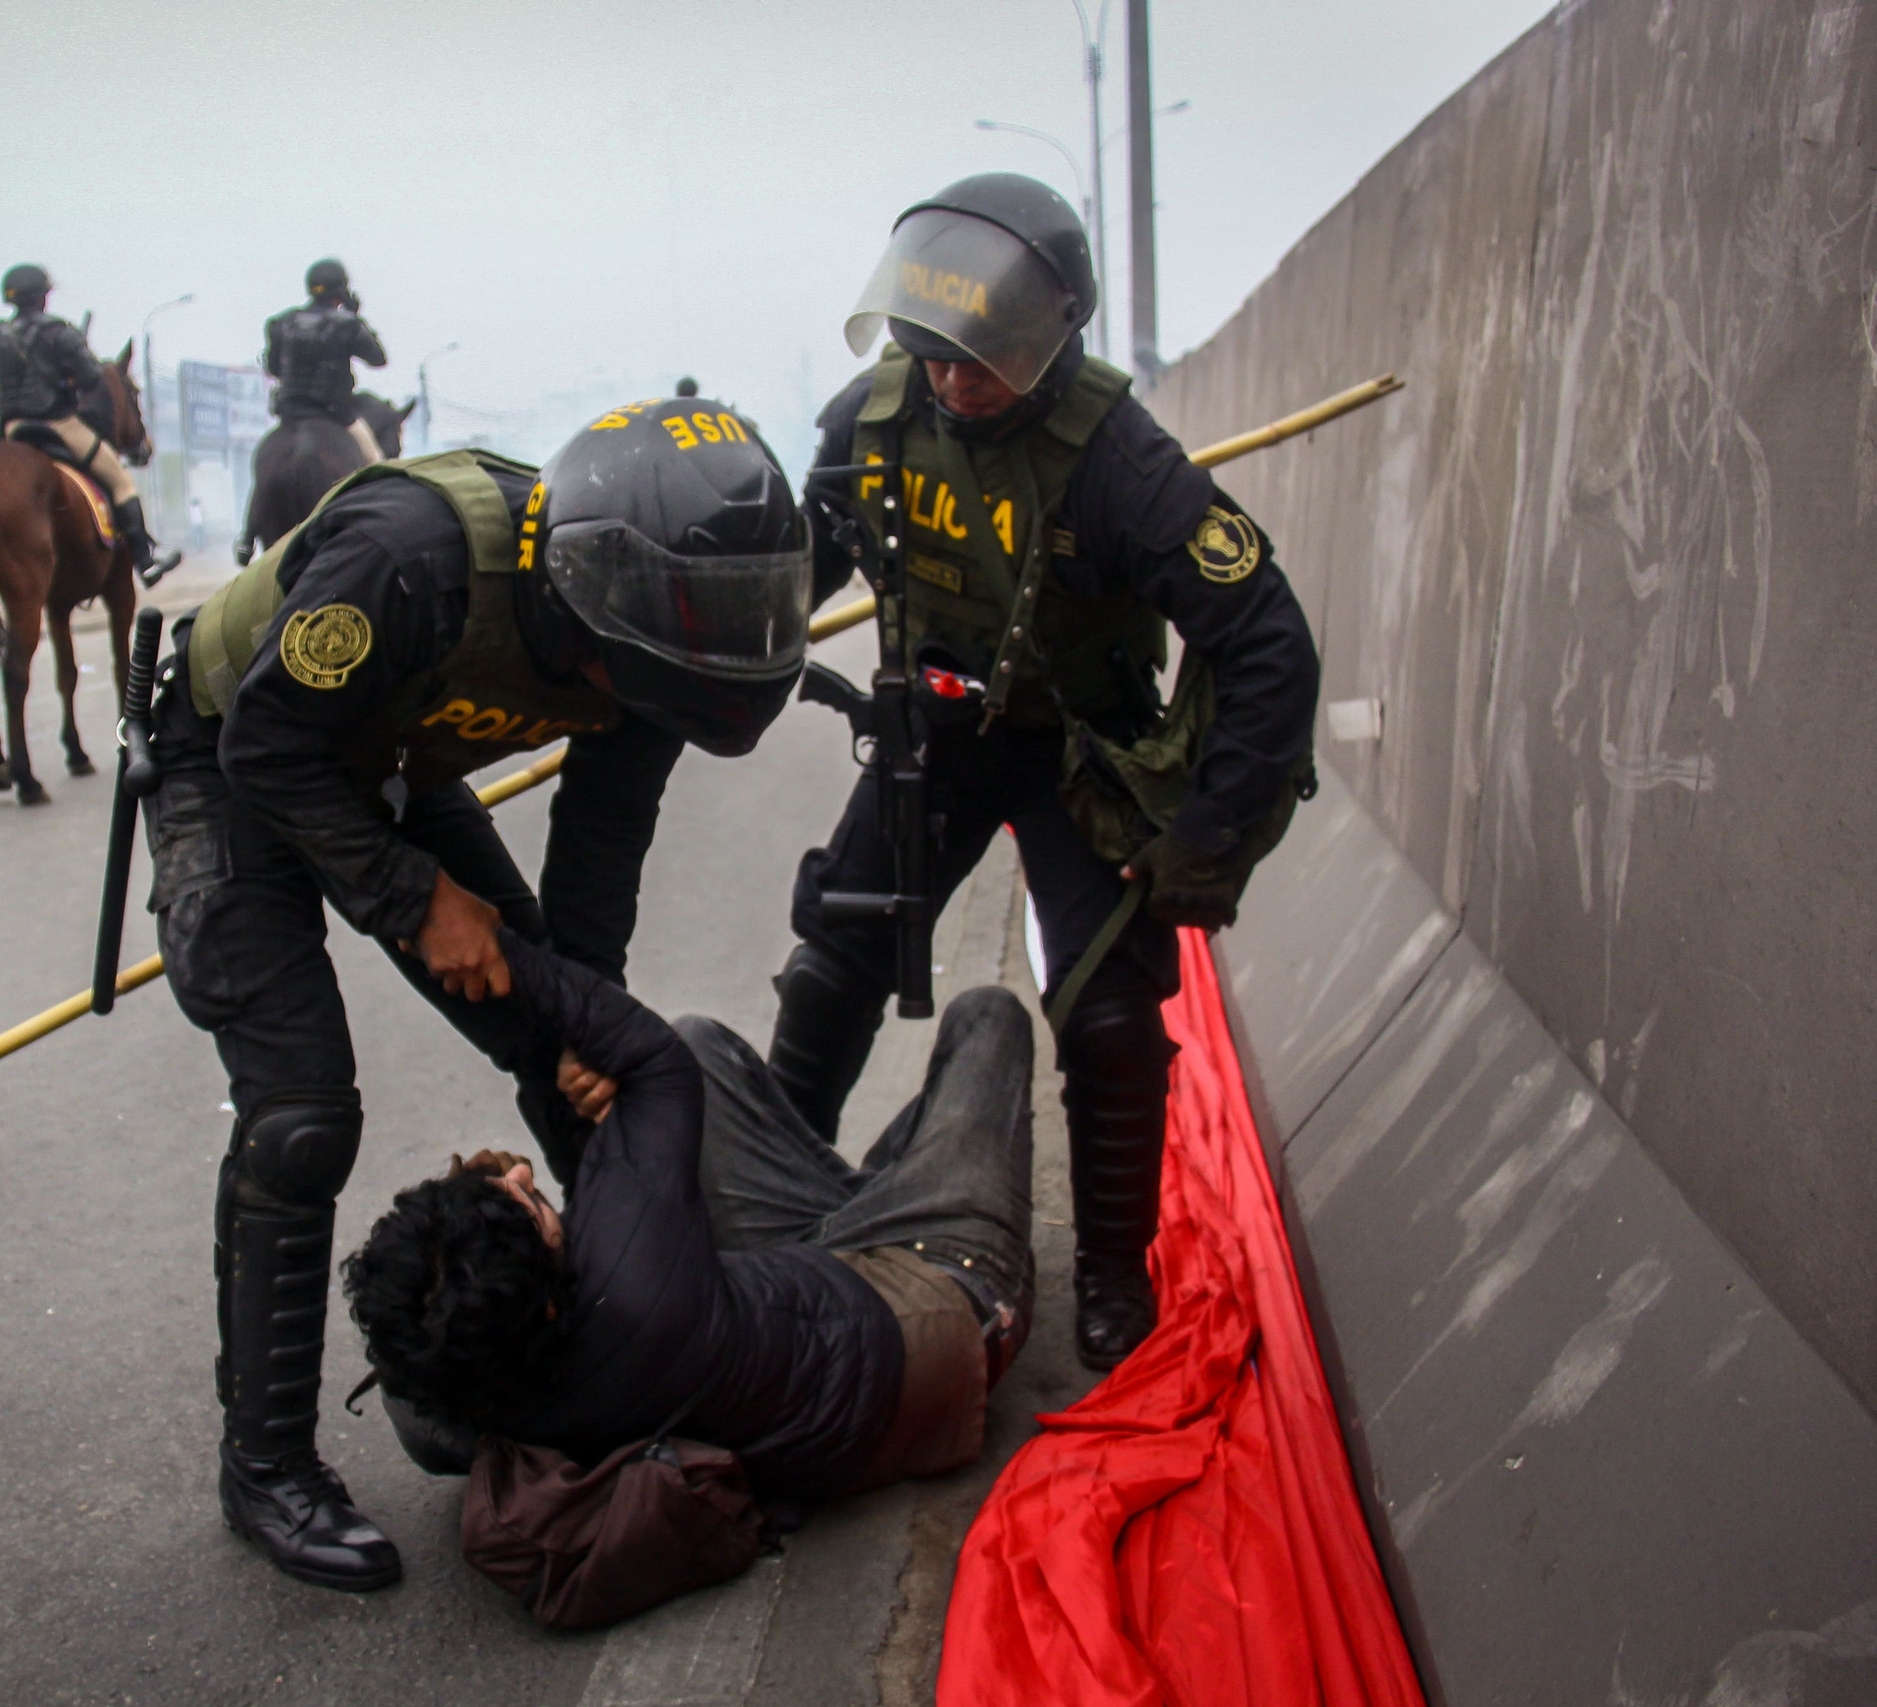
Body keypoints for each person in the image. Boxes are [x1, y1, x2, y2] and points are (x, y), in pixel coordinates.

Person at [147, 397, 813, 1590]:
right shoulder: (407, 561)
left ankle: (642, 1351)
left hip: (388, 760)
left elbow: (601, 847)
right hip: (239, 749)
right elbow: (270, 747)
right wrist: (415, 899)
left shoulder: (663, 644)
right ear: (588, 589)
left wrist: (583, 1022)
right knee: (301, 1120)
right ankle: (265, 1469)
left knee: (577, 1062)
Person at [770, 173, 1318, 1372]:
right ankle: (766, 1208)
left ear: (1046, 340)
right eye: (934, 356)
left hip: (1076, 747)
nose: (952, 383)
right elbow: (799, 571)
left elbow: (1268, 641)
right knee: (832, 963)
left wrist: (1207, 837)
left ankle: (1115, 1276)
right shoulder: (868, 421)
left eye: (980, 361)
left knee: (1113, 1016)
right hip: (942, 735)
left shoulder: (1121, 461)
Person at [342, 930, 1034, 1512]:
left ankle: (881, 1181)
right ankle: (902, 1189)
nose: (522, 1174)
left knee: (705, 1043)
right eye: (533, 1203)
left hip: (775, 1296)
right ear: (552, 1299)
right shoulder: (637, 1266)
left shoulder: (436, 1398)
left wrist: (488, 1208)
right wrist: (482, 941)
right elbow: (650, 1058)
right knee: (988, 1017)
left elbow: (419, 1315)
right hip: (929, 1307)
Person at [0, 263, 154, 575]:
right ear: (42, 297)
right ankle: (145, 562)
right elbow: (91, 379)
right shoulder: (58, 332)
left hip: (13, 428)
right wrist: (68, 380)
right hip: (59, 425)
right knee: (121, 482)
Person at [262, 260, 386, 449]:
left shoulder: (283, 323)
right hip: (335, 412)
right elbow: (378, 359)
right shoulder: (347, 324)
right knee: (374, 461)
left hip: (290, 412)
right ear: (342, 291)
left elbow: (273, 369)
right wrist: (355, 316)